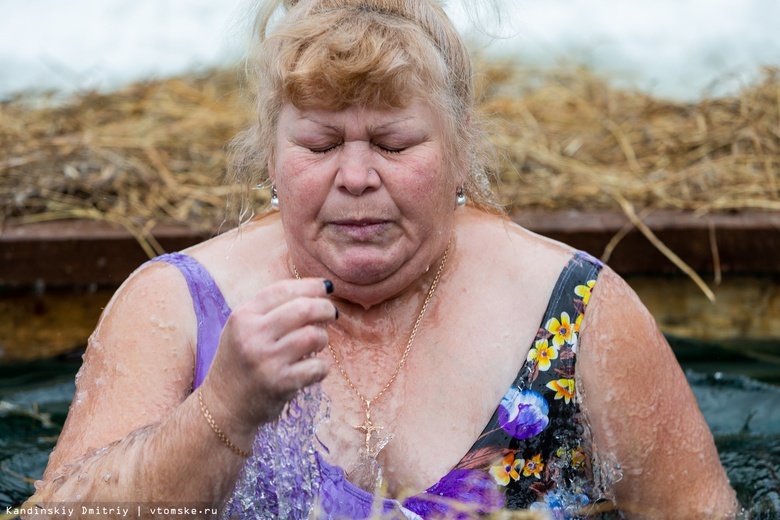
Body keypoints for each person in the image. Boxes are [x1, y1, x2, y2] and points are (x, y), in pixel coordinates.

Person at [25, 0, 738, 518]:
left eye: (394, 144)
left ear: (460, 149)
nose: (357, 176)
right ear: (270, 158)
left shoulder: (577, 311)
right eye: (320, 145)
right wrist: (223, 411)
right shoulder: (176, 305)